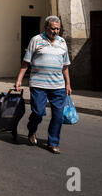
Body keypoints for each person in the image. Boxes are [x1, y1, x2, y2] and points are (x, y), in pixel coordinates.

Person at [14, 16, 72, 154]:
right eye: (53, 28)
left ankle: (53, 143)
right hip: (38, 84)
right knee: (38, 112)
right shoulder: (36, 40)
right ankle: (32, 129)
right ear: (45, 28)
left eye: (58, 29)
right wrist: (19, 80)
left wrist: (68, 84)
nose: (55, 31)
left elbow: (65, 66)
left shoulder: (62, 42)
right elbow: (26, 62)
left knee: (58, 116)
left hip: (58, 85)